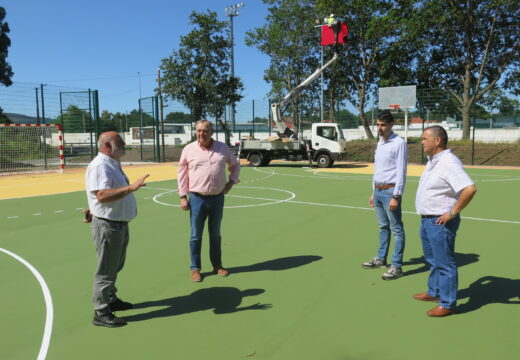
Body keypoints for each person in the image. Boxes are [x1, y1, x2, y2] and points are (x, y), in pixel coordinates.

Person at [85, 131, 149, 327]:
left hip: (117, 223)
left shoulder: (112, 163)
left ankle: (110, 299)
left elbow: (99, 195)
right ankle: (101, 311)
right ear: (107, 146)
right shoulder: (100, 165)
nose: (124, 145)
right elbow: (102, 195)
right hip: (108, 226)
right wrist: (131, 188)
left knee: (114, 266)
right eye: (119, 142)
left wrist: (92, 208)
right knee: (106, 270)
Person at [414, 125, 477, 317]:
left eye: (424, 138)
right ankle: (434, 292)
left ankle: (448, 303)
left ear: (437, 141)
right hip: (427, 220)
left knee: (445, 263)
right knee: (433, 260)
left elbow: (469, 189)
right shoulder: (433, 161)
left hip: (440, 221)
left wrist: (452, 212)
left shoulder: (448, 161)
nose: (421, 142)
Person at [177, 120, 240, 282]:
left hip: (218, 198)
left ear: (211, 132)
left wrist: (231, 181)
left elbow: (235, 165)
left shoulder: (222, 148)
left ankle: (217, 266)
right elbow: (182, 173)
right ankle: (195, 268)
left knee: (215, 234)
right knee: (196, 236)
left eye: (205, 131)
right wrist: (183, 196)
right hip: (197, 198)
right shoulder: (189, 149)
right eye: (198, 131)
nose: (201, 134)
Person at [362, 111, 408, 280]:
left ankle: (397, 266)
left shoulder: (399, 143)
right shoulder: (380, 143)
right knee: (383, 227)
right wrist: (373, 191)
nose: (379, 128)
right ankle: (381, 258)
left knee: (397, 229)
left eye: (382, 125)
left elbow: (401, 171)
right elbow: (377, 170)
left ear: (391, 125)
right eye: (378, 125)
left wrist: (396, 195)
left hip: (390, 192)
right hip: (379, 191)